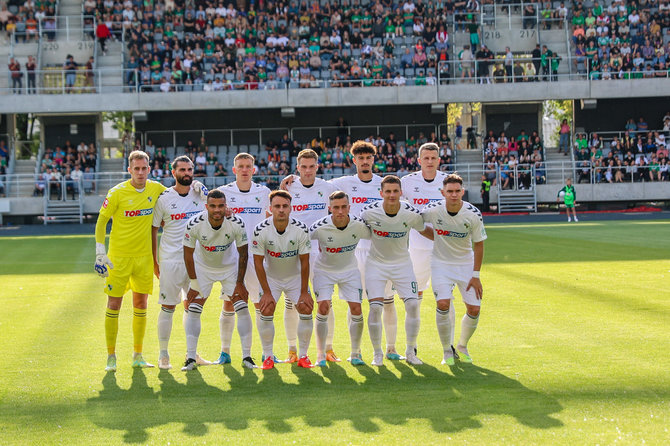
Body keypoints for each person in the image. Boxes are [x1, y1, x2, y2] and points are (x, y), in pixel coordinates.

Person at [94, 151, 168, 371]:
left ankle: (138, 355)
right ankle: (111, 356)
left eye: (144, 168)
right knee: (114, 304)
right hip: (118, 260)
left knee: (141, 305)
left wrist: (196, 189)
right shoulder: (117, 192)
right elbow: (101, 222)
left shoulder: (156, 189)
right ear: (129, 170)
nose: (140, 172)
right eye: (136, 168)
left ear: (149, 168)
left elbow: (176, 197)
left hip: (144, 259)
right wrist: (100, 251)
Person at [361, 175, 431, 366]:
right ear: (381, 193)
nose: (392, 195)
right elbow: (353, 230)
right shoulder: (368, 212)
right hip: (376, 265)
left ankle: (410, 352)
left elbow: (425, 231)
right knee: (375, 308)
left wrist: (448, 240)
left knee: (413, 305)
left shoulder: (410, 213)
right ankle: (377, 353)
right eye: (388, 191)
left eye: (395, 191)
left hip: (402, 265)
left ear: (401, 192)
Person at [182, 190, 254, 370]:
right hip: (203, 268)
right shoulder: (194, 223)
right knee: (194, 309)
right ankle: (190, 358)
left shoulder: (236, 223)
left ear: (226, 206)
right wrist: (193, 282)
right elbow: (188, 254)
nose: (217, 210)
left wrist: (240, 282)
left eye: (221, 206)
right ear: (206, 206)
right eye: (212, 206)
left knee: (243, 308)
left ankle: (247, 357)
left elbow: (243, 253)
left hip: (229, 268)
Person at [151, 156, 210, 370]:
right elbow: (154, 228)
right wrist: (155, 261)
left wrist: (207, 194)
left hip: (197, 260)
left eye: (190, 169)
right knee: (168, 307)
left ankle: (192, 354)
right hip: (172, 260)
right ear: (173, 172)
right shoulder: (164, 198)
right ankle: (163, 355)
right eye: (182, 169)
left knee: (194, 307)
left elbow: (220, 212)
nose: (187, 173)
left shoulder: (200, 194)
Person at [421, 173, 486, 365]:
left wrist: (476, 275)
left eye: (457, 191)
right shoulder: (433, 211)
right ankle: (446, 351)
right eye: (450, 191)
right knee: (443, 304)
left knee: (474, 308)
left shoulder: (473, 214)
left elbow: (479, 244)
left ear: (463, 192)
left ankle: (462, 346)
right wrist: (437, 238)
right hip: (440, 264)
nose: (454, 195)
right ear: (443, 192)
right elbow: (417, 223)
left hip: (466, 264)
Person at [283, 149, 338, 363]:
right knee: (292, 303)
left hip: (320, 253)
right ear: (297, 167)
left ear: (317, 166)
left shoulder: (328, 188)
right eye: (303, 167)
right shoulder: (288, 187)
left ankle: (328, 349)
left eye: (311, 166)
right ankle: (292, 349)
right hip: (293, 253)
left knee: (325, 301)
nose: (307, 171)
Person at [216, 153, 271, 363]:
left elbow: (269, 221)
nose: (245, 170)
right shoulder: (224, 192)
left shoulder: (264, 192)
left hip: (257, 257)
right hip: (232, 257)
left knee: (260, 304)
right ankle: (225, 351)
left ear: (254, 170)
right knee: (230, 304)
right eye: (241, 166)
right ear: (234, 170)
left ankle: (266, 352)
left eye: (248, 166)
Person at [400, 143, 454, 351]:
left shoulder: (447, 182)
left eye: (434, 158)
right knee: (415, 297)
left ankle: (448, 347)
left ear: (439, 160)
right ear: (419, 160)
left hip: (444, 249)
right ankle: (411, 345)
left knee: (446, 298)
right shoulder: (407, 182)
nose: (430, 161)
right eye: (426, 158)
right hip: (417, 248)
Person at [251, 190, 313, 370]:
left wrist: (304, 291)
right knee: (266, 308)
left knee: (306, 306)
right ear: (270, 209)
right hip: (272, 278)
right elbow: (257, 261)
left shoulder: (300, 229)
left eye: (285, 206)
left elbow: (305, 261)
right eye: (277, 206)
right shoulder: (261, 229)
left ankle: (303, 356)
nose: (281, 210)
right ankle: (268, 357)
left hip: (294, 277)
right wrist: (267, 292)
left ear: (290, 208)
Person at [309, 191, 371, 366]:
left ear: (349, 207)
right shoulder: (319, 226)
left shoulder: (359, 225)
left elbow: (377, 235)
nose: (340, 211)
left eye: (344, 207)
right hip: (324, 270)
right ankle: (321, 355)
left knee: (356, 309)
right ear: (329, 209)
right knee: (323, 307)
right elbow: (301, 238)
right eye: (336, 208)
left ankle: (355, 353)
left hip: (350, 270)